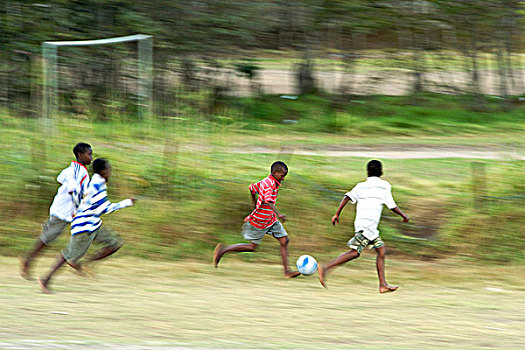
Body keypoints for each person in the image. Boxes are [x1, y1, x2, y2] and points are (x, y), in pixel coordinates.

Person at [38, 158, 134, 293]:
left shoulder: (98, 182)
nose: (110, 173)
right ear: (102, 171)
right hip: (84, 227)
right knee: (67, 255)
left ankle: (85, 263)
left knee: (114, 244)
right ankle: (45, 280)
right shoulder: (96, 185)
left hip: (94, 223)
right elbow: (103, 208)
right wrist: (126, 203)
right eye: (108, 170)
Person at [318, 160, 409, 293]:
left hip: (365, 225)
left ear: (367, 172)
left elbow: (347, 197)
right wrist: (404, 216)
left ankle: (382, 285)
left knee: (381, 251)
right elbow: (392, 206)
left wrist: (337, 214)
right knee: (355, 252)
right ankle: (326, 268)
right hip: (368, 226)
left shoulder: (361, 186)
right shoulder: (384, 186)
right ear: (381, 172)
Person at [213, 161, 300, 278]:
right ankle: (223, 250)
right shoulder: (269, 184)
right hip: (260, 220)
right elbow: (268, 200)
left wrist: (254, 203)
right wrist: (279, 214)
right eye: (282, 175)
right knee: (252, 247)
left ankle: (287, 272)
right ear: (274, 173)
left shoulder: (267, 181)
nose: (283, 178)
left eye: (285, 175)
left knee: (284, 241)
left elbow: (252, 188)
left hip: (270, 219)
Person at [20, 142, 93, 280]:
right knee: (47, 239)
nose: (91, 157)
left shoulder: (74, 169)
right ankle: (28, 260)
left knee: (85, 234)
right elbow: (72, 190)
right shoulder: (78, 171)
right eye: (89, 154)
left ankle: (74, 260)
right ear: (80, 155)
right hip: (63, 212)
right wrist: (80, 207)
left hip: (66, 210)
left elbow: (60, 178)